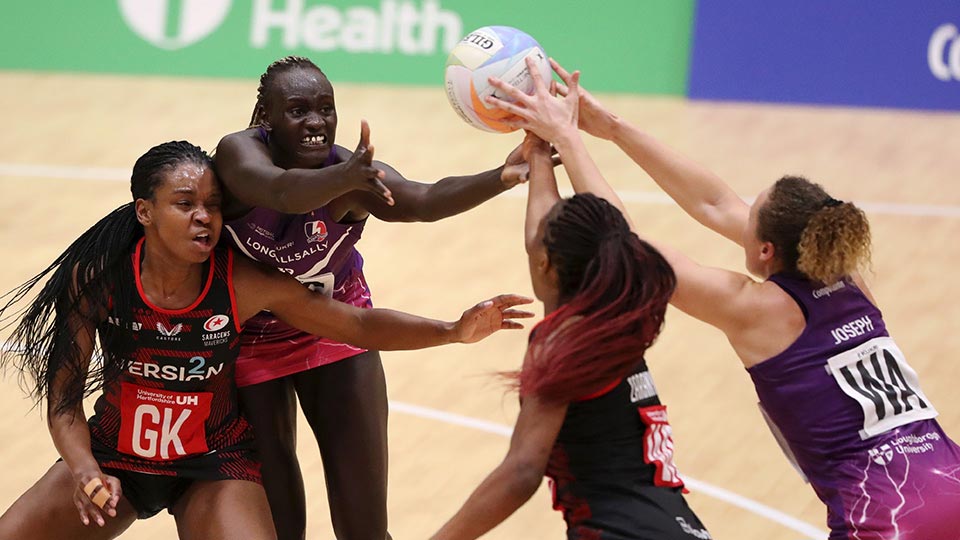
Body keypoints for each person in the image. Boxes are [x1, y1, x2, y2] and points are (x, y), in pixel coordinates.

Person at [487, 56, 960, 539]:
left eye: (752, 212)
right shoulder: (848, 276)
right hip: (951, 478)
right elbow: (715, 203)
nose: (741, 208)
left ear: (765, 249)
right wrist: (610, 127)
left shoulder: (757, 310)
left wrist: (568, 138)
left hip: (889, 514)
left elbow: (624, 245)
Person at [0, 141, 532, 540]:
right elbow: (65, 402)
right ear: (145, 212)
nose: (204, 217)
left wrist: (453, 330)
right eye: (185, 204)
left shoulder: (241, 281)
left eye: (211, 204)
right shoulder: (98, 279)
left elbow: (357, 326)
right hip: (114, 459)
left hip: (210, 467)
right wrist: (86, 471)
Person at [213, 55, 539, 540]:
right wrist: (344, 178)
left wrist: (501, 175)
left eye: (326, 109)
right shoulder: (239, 156)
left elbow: (424, 199)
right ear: (266, 116)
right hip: (247, 343)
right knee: (279, 526)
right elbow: (282, 191)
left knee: (365, 529)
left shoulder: (351, 175)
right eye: (298, 110)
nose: (316, 123)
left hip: (340, 328)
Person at [430, 124, 711, 539]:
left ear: (546, 264)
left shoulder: (562, 340)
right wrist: (539, 151)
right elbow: (545, 237)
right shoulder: (618, 309)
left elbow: (523, 471)